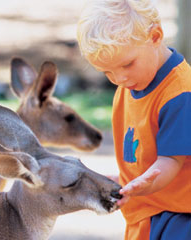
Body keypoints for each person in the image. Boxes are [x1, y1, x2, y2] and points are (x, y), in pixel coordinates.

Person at [77, 0, 191, 239]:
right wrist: (124, 181)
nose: (119, 78)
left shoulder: (179, 93)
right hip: (146, 210)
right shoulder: (131, 84)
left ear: (155, 36)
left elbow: (171, 160)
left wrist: (144, 183)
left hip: (178, 216)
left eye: (127, 64)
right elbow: (143, 152)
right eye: (107, 72)